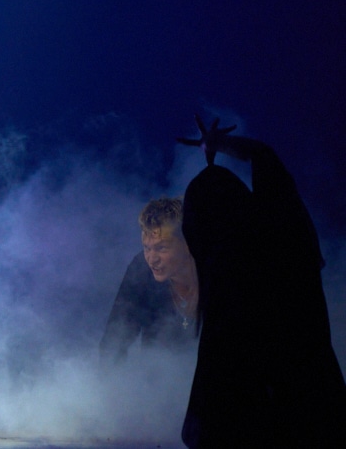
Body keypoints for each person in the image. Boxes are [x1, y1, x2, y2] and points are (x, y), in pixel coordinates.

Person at [177, 117, 346, 448]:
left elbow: (209, 416)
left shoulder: (223, 281)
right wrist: (217, 143)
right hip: (323, 419)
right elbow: (266, 158)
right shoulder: (284, 236)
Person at [99, 197, 198, 362]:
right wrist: (108, 377)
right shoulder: (141, 269)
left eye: (161, 248)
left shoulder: (215, 273)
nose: (152, 259)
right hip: (155, 374)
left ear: (187, 244)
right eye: (146, 247)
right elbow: (114, 341)